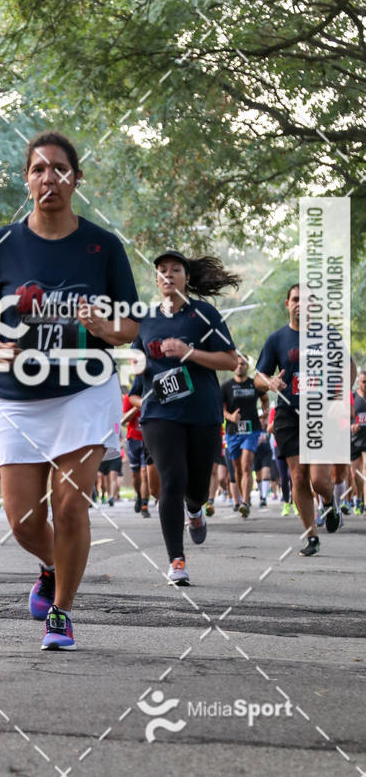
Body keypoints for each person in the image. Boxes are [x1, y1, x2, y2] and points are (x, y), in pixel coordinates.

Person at [0, 131, 139, 650]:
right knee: (22, 520)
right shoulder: (0, 244)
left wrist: (107, 327)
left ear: (75, 180)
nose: (50, 179)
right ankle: (49, 563)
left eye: (61, 169)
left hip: (84, 391)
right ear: (27, 179)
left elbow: (130, 327)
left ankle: (61, 612)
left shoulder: (102, 247)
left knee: (69, 506)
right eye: (40, 169)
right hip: (18, 396)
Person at [136, 250, 238, 586]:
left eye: (175, 270)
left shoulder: (204, 314)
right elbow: (136, 377)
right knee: (172, 479)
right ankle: (176, 560)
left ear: (186, 278)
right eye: (162, 271)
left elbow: (230, 360)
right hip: (160, 415)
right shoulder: (145, 321)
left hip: (202, 412)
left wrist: (189, 352)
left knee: (195, 488)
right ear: (156, 279)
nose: (168, 275)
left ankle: (195, 510)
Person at [255, 283, 354, 555]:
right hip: (288, 414)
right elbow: (258, 377)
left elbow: (349, 368)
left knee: (320, 480)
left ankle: (330, 504)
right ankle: (311, 536)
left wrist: (339, 399)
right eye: (296, 299)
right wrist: (269, 382)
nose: (301, 304)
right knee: (298, 476)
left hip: (320, 414)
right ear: (287, 304)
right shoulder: (276, 340)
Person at [221, 354, 269, 517]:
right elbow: (222, 409)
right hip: (233, 432)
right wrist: (230, 417)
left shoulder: (254, 384)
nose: (240, 366)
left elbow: (265, 398)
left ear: (247, 366)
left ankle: (245, 502)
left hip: (252, 430)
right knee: (237, 469)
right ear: (233, 365)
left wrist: (265, 414)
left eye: (243, 364)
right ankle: (242, 499)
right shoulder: (226, 386)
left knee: (247, 466)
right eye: (237, 363)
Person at [122, 375, 151, 517]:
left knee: (145, 473)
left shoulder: (151, 395)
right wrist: (136, 407)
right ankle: (139, 495)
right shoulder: (129, 398)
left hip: (147, 438)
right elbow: (122, 420)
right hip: (133, 439)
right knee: (136, 475)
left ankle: (145, 505)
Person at [350, 372, 366, 515]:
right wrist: (351, 426)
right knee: (355, 475)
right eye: (364, 382)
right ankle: (359, 498)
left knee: (365, 469)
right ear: (358, 383)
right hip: (354, 440)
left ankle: (364, 503)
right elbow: (343, 418)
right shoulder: (353, 398)